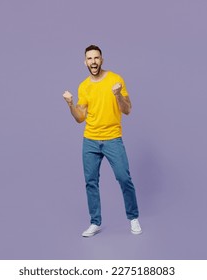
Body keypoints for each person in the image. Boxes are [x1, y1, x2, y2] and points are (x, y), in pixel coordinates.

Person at [63, 45, 142, 237]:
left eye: (96, 58)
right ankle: (95, 222)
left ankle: (133, 218)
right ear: (85, 62)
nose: (93, 62)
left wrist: (117, 94)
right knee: (91, 181)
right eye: (89, 59)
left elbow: (128, 109)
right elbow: (80, 117)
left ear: (102, 60)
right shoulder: (84, 86)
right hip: (90, 139)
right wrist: (71, 105)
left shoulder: (116, 80)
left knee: (124, 178)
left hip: (112, 138)